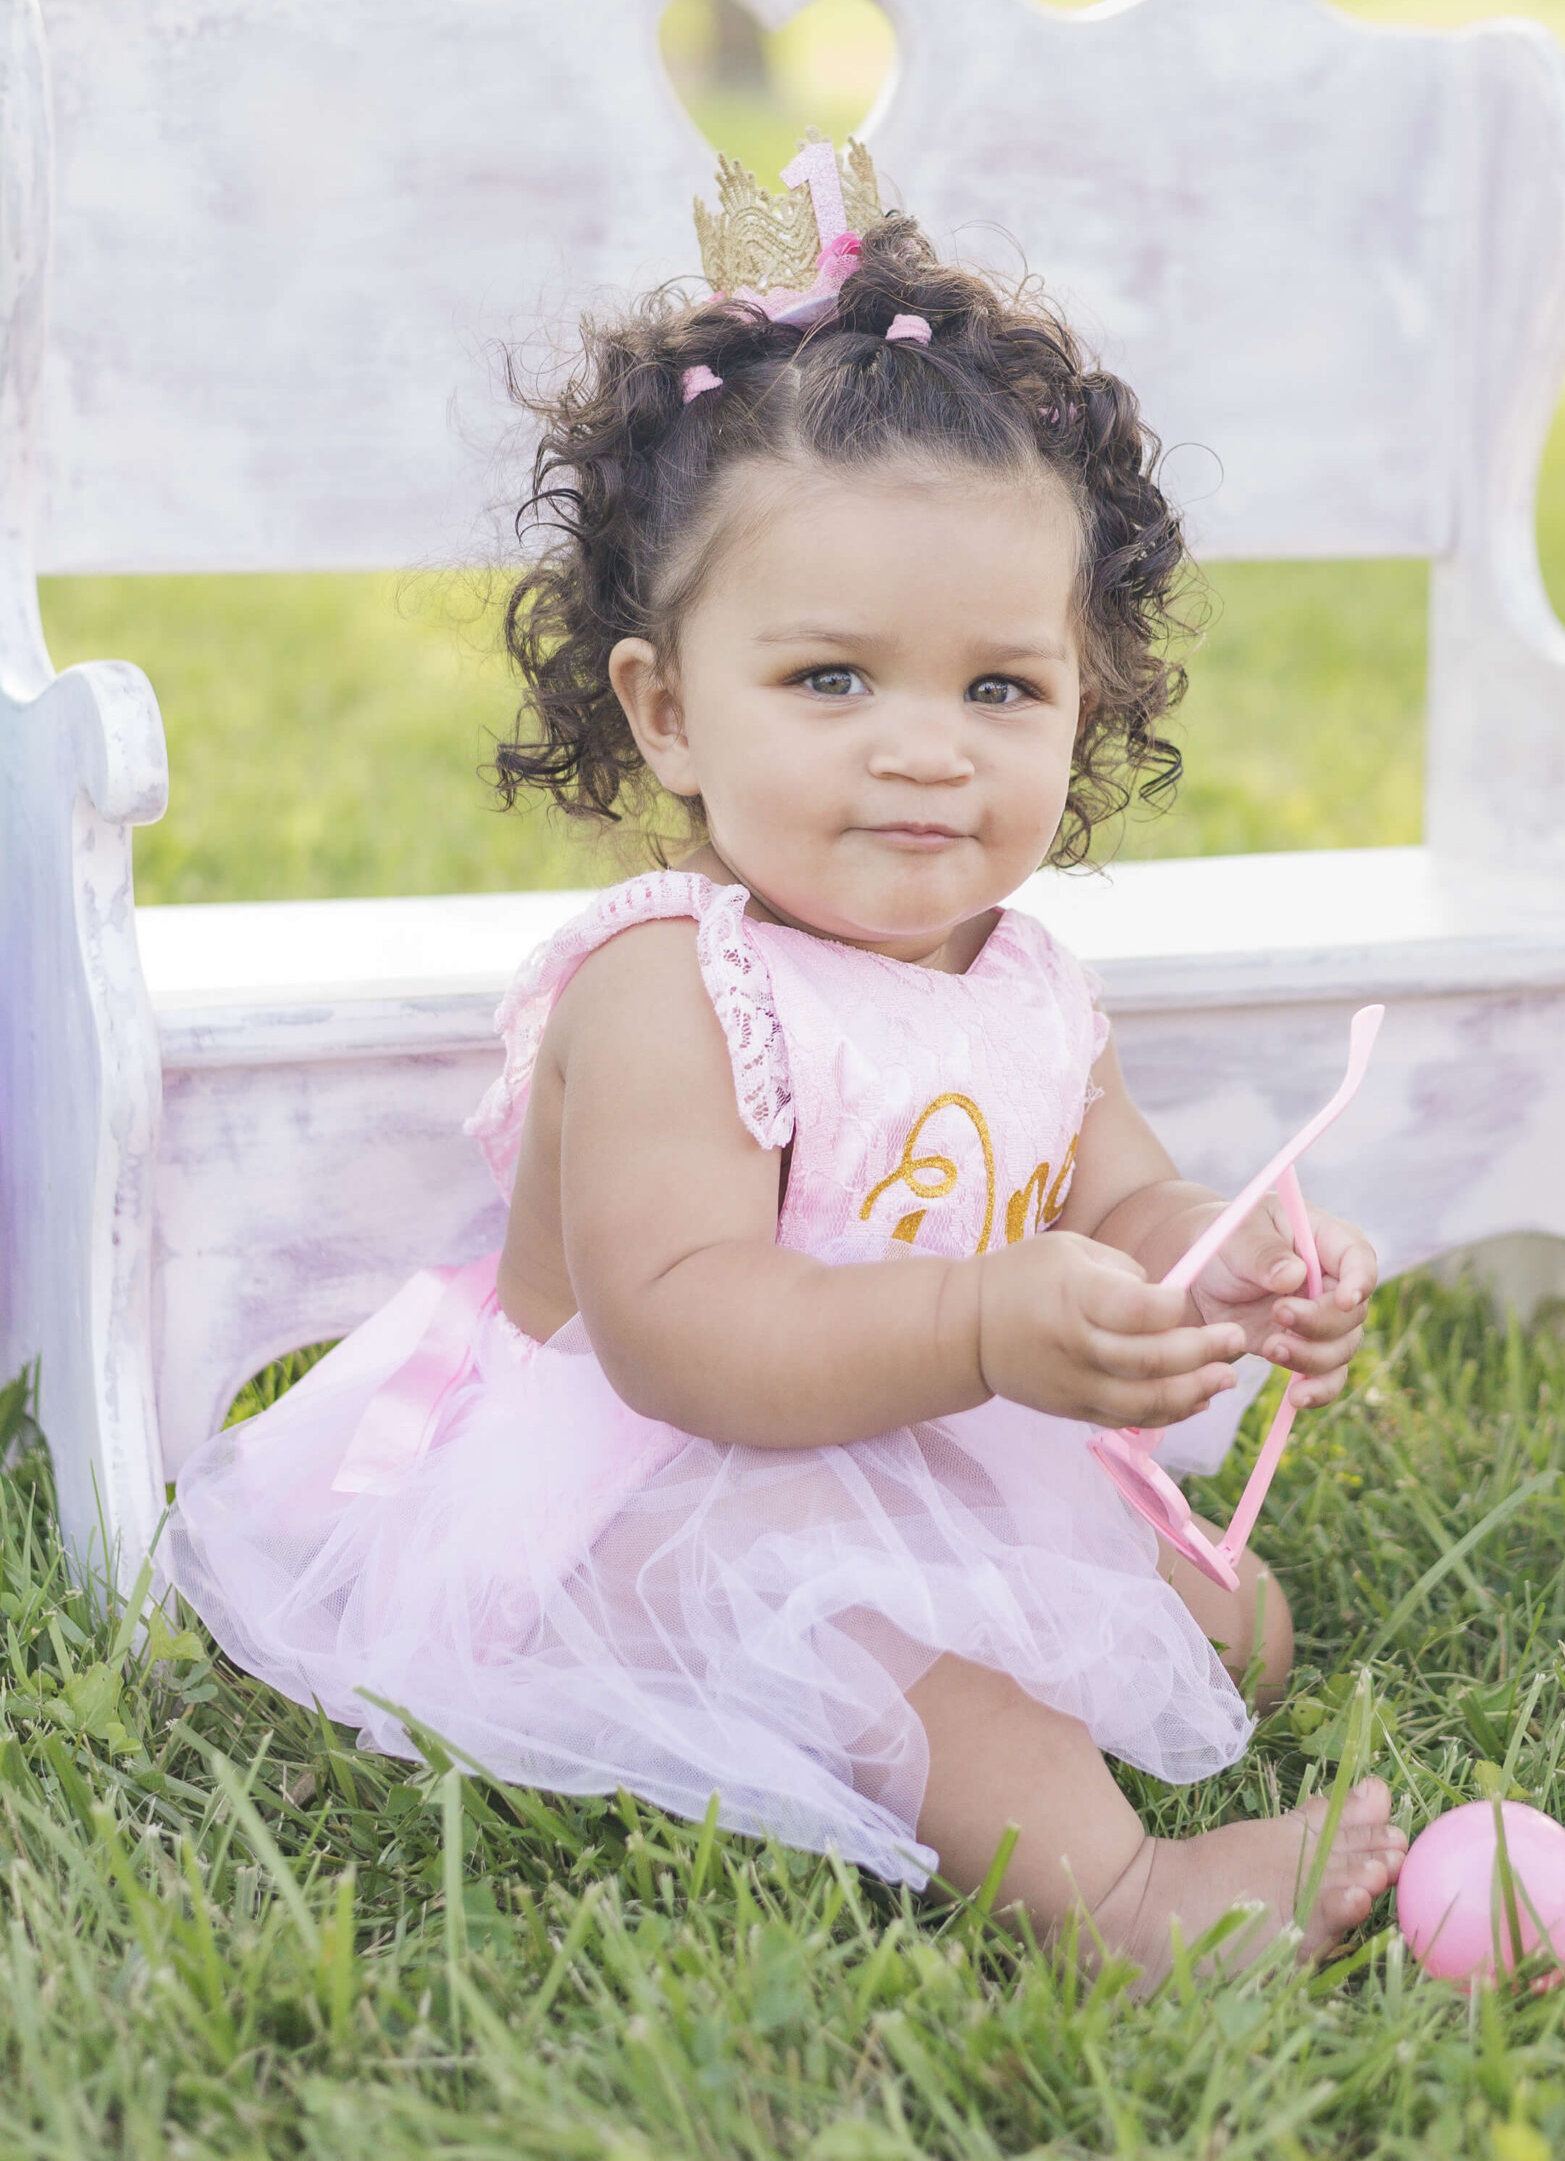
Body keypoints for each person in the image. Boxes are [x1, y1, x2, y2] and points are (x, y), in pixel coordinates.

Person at [171, 150, 1406, 1986]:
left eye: (1001, 690)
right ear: (668, 711)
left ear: (1091, 704)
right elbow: (684, 1337)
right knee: (937, 1688)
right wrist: (989, 1330)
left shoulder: (1031, 980)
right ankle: (1130, 1907)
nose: (925, 750)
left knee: (1238, 1627)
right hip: (648, 1487)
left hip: (905, 1426)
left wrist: (1217, 1265)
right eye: (832, 680)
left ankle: (1061, 1704)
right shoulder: (673, 988)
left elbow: (1118, 1192)